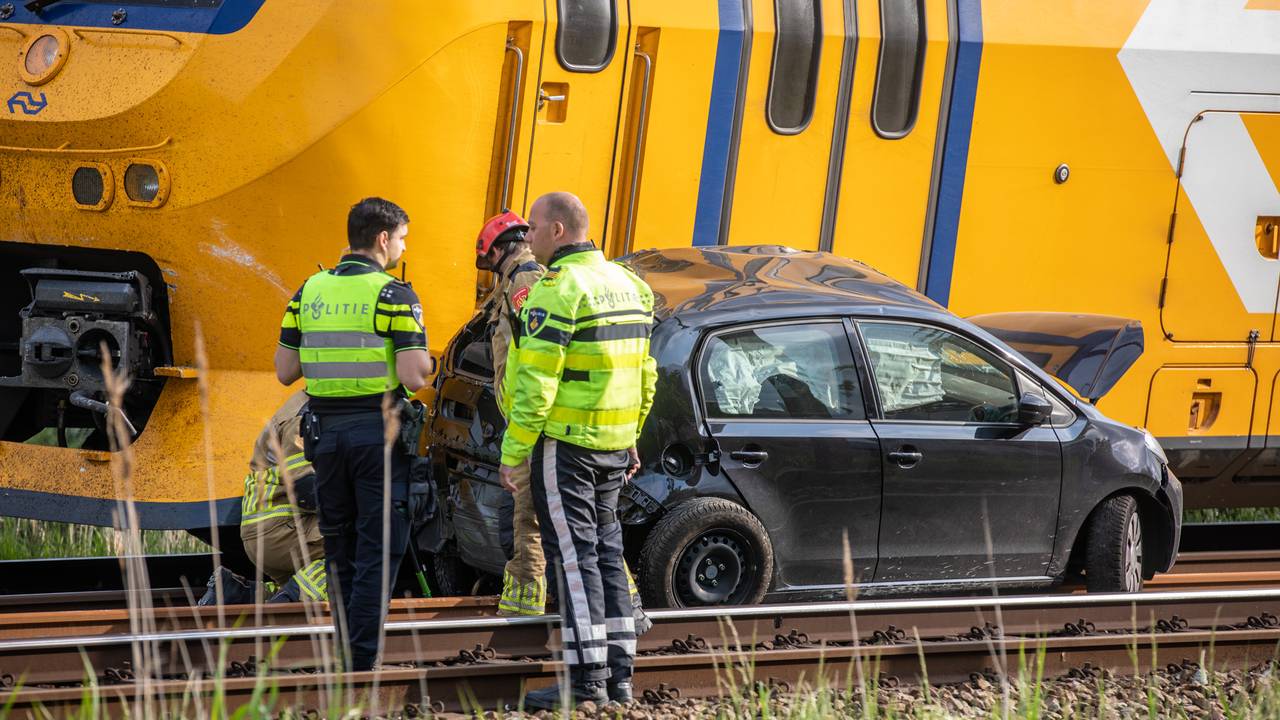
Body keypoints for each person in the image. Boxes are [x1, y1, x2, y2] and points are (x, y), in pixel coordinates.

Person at [498, 192, 657, 709]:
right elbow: (644, 374)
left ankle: (585, 683)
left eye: (533, 229)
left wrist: (514, 451)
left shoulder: (556, 291)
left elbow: (536, 386)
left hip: (565, 448)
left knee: (573, 557)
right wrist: (632, 432)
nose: (527, 239)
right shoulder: (630, 284)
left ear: (558, 231)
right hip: (613, 446)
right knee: (608, 553)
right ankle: (620, 678)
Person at [274, 197, 433, 672]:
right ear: (383, 239)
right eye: (402, 237)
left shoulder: (308, 291)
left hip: (323, 434)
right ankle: (361, 662)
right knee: (377, 548)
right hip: (375, 436)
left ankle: (344, 652)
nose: (403, 246)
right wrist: (427, 361)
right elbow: (414, 376)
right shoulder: (393, 295)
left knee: (339, 547)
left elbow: (286, 371)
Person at [474, 210, 547, 617]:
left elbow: (536, 353)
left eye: (490, 262)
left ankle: (524, 609)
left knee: (528, 518)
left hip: (530, 419)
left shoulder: (524, 279)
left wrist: (522, 424)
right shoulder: (515, 281)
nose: (491, 271)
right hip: (525, 416)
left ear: (500, 250)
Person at [198, 390, 328, 606]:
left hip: (275, 528)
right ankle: (290, 603)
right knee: (365, 541)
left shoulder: (309, 403)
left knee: (308, 578)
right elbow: (309, 491)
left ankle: (237, 594)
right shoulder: (305, 416)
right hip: (282, 529)